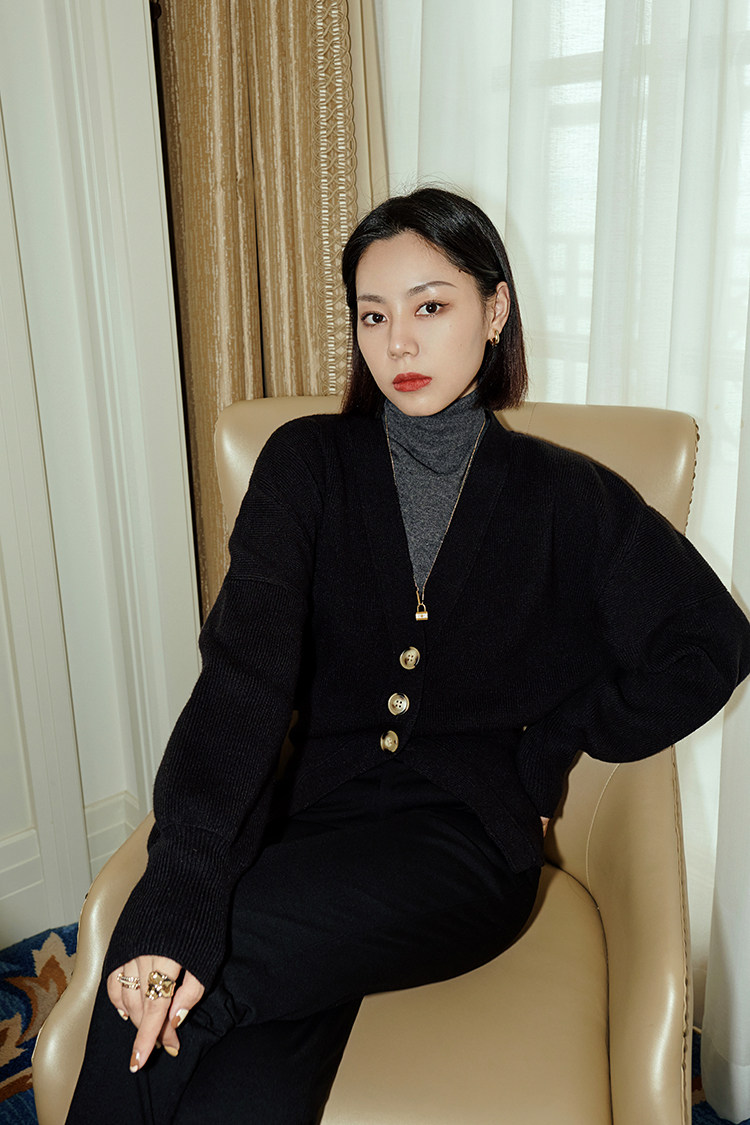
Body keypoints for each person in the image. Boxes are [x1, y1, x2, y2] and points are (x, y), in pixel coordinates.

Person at [66, 187, 750, 1123]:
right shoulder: (304, 466)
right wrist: (184, 874)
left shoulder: (567, 499)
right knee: (217, 1043)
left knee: (166, 973)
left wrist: (556, 738)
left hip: (461, 847)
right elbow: (242, 679)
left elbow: (711, 641)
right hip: (304, 824)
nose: (398, 344)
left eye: (431, 306)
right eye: (374, 315)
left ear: (495, 310)